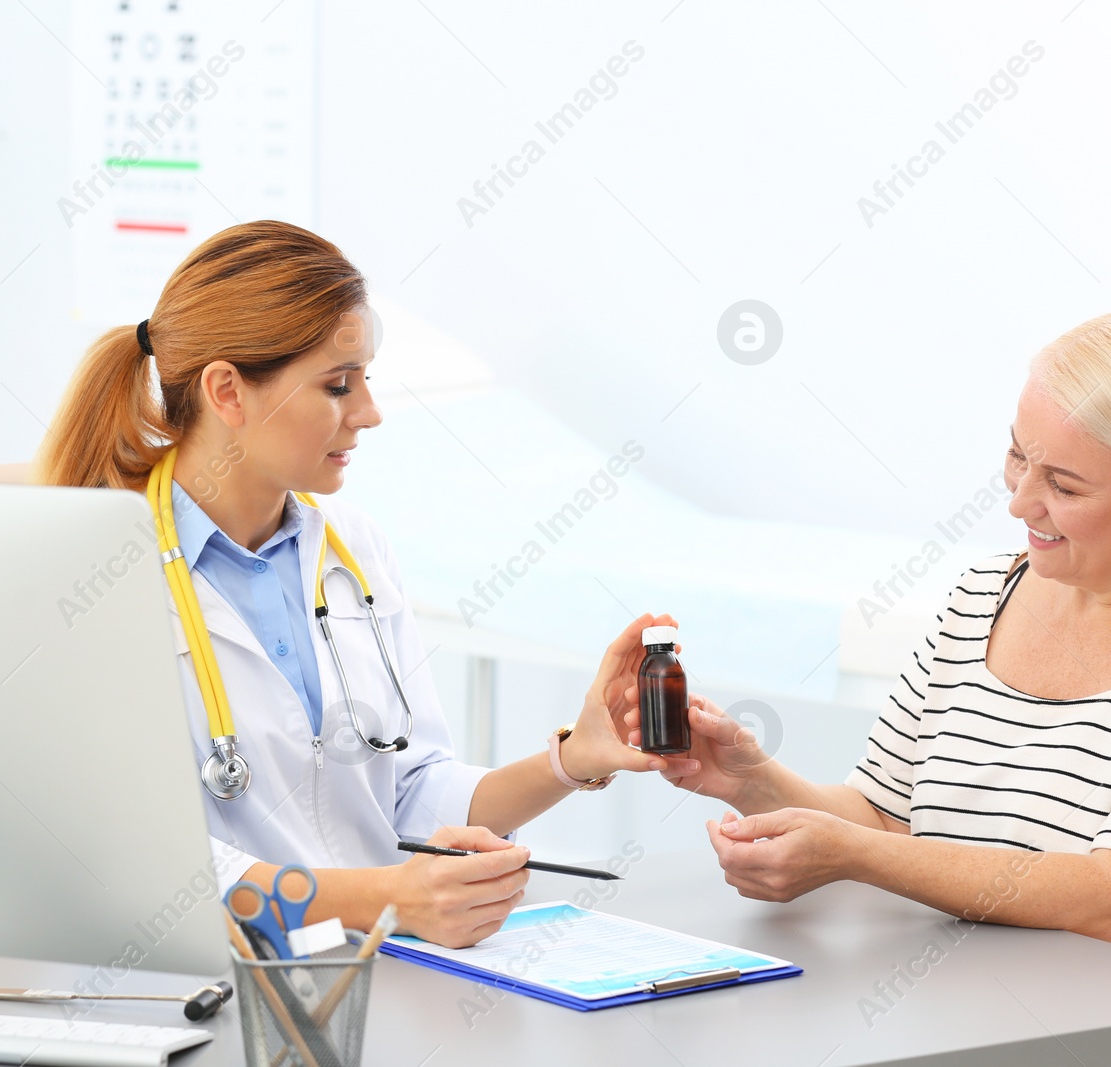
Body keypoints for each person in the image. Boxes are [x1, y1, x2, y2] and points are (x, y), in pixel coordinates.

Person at [635, 311, 1111, 1066]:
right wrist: (752, 779)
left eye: (1064, 485)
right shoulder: (985, 595)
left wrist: (852, 856)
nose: (1017, 502)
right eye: (1017, 457)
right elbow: (882, 815)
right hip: (991, 1033)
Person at [37, 220, 692, 948]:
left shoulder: (354, 549)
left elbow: (409, 788)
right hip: (215, 987)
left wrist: (572, 760)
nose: (371, 412)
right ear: (228, 391)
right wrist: (386, 897)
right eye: (338, 385)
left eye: (367, 381)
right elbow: (144, 864)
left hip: (373, 973)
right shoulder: (98, 573)